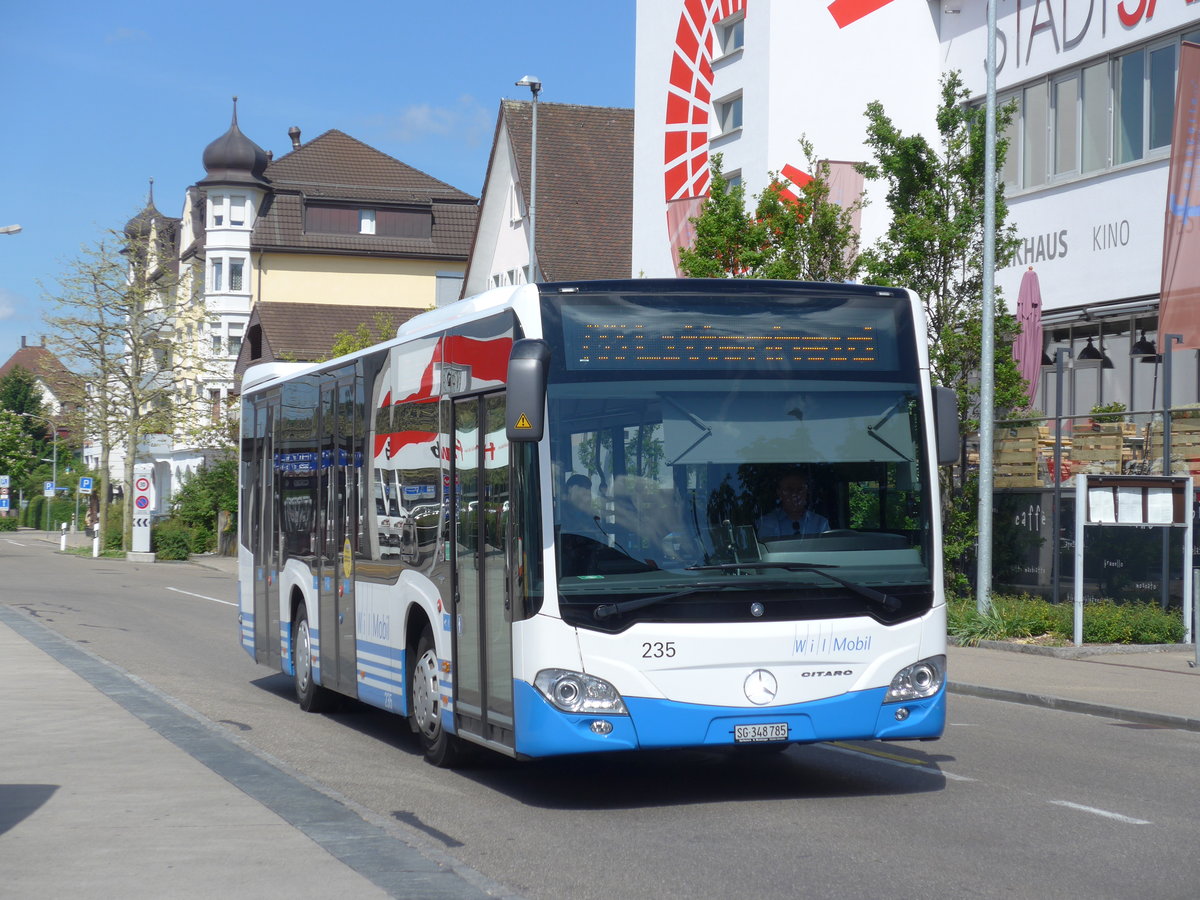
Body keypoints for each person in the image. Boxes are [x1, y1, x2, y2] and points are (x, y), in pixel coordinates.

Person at [755, 470, 830, 538]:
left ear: (806, 491)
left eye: (800, 489)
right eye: (789, 489)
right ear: (779, 493)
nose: (795, 494)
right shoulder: (764, 523)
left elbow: (828, 551)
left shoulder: (821, 524)